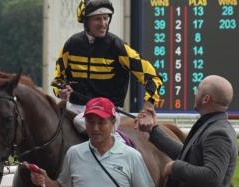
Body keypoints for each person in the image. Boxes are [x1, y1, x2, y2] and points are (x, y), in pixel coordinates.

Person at [52, 0, 162, 133]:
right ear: (86, 21)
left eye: (106, 18)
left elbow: (153, 77)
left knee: (80, 121)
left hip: (107, 111)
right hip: (75, 108)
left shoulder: (118, 47)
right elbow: (58, 80)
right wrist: (61, 91)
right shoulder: (71, 45)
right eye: (97, 19)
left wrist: (148, 107)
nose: (103, 24)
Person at [136, 75, 238, 187]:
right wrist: (152, 130)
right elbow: (187, 155)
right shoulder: (211, 125)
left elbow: (212, 177)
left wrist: (175, 167)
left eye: (198, 91)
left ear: (206, 99)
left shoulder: (218, 133)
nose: (195, 94)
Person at [29, 97, 155, 187]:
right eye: (90, 121)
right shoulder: (73, 154)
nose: (95, 128)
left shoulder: (132, 156)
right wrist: (45, 180)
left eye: (101, 122)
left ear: (112, 122)